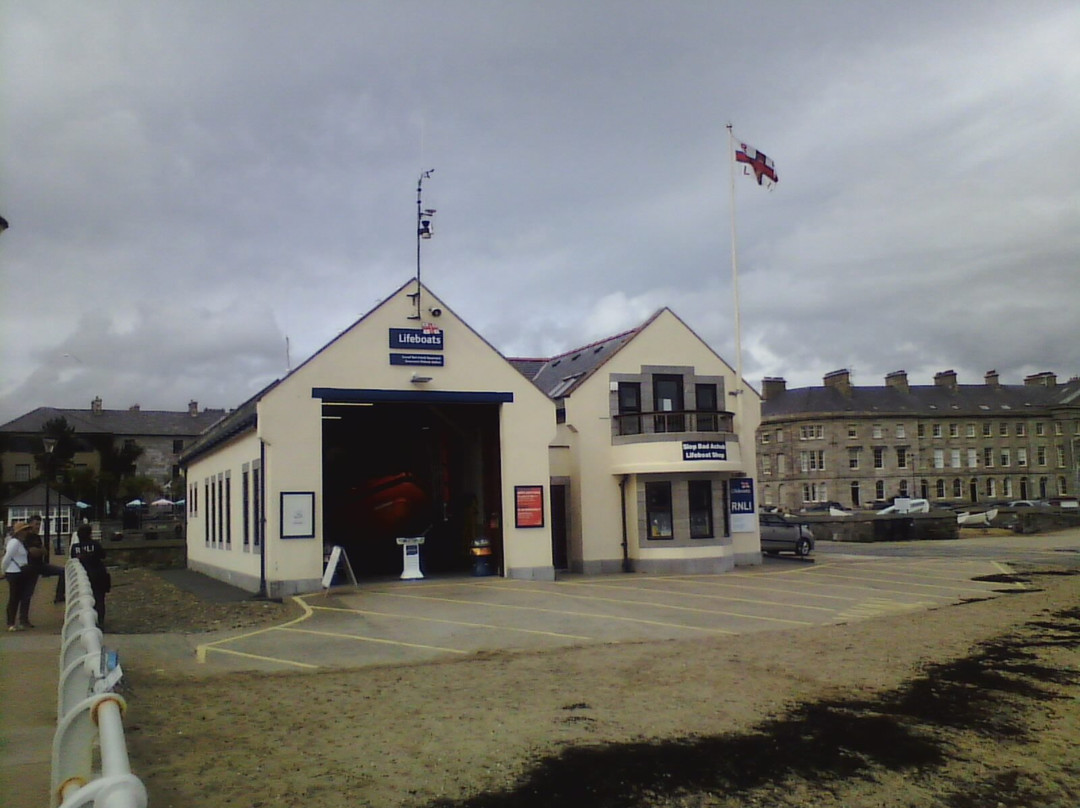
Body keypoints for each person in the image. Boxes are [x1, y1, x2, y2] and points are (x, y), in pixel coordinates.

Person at [70, 524, 109, 628]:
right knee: (99, 598)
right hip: (98, 574)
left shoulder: (75, 547)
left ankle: (86, 620)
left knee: (83, 599)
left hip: (82, 576)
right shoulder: (95, 544)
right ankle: (100, 621)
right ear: (90, 534)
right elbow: (103, 555)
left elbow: (73, 560)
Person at [3, 521, 35, 630]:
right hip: (13, 572)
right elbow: (7, 557)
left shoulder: (20, 542)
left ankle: (15, 622)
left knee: (19, 597)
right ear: (20, 532)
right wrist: (2, 571)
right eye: (25, 530)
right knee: (14, 598)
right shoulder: (14, 543)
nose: (27, 532)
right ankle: (10, 623)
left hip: (20, 572)